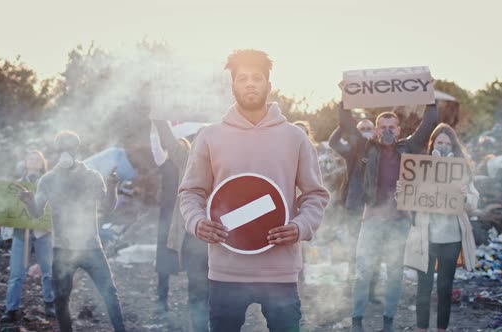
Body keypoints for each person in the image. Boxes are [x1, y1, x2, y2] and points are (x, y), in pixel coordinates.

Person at [179, 49, 330, 332]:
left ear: (268, 85)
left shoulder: (294, 137)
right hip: (226, 270)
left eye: (257, 78)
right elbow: (191, 193)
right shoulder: (210, 137)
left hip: (280, 270)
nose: (250, 84)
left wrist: (300, 227)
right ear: (232, 85)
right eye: (243, 78)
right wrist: (197, 222)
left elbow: (315, 196)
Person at [338, 101, 438, 332]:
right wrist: (346, 97)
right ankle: (357, 321)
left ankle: (388, 323)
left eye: (391, 126)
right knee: (362, 273)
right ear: (375, 130)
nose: (387, 131)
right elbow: (346, 124)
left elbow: (429, 123)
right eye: (382, 126)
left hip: (399, 223)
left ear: (399, 130)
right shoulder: (366, 148)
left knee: (394, 275)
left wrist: (430, 97)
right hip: (371, 220)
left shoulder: (409, 147)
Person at [19, 131, 125, 332]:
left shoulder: (92, 176)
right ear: (57, 152)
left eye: (70, 149)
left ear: (77, 150)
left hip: (91, 247)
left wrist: (113, 186)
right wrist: (28, 201)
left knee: (109, 293)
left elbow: (107, 208)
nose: (66, 153)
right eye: (62, 149)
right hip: (62, 249)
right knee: (61, 298)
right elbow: (36, 212)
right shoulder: (48, 180)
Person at [401, 123, 478, 332]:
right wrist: (402, 190)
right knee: (423, 290)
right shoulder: (420, 168)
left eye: (447, 142)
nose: (443, 146)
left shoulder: (461, 170)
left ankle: (441, 330)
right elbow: (407, 201)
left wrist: (464, 195)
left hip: (451, 238)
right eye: (439, 142)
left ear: (453, 145)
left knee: (445, 289)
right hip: (426, 237)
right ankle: (421, 329)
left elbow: (473, 203)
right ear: (432, 144)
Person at [154, 119, 210, 331]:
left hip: (220, 239)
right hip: (193, 238)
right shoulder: (187, 160)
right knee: (197, 290)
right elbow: (168, 141)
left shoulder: (228, 163)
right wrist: (158, 118)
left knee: (217, 291)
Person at [329, 118, 382, 304]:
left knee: (375, 250)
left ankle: (371, 292)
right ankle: (352, 288)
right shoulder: (352, 152)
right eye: (361, 129)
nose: (365, 132)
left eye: (368, 128)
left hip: (376, 209)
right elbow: (333, 142)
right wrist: (343, 124)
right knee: (354, 250)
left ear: (375, 131)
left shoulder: (381, 149)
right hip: (354, 207)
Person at [1, 150, 55, 324]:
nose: (33, 162)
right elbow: (8, 208)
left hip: (43, 233)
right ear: (25, 162)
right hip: (21, 233)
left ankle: (50, 303)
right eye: (30, 159)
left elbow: (55, 207)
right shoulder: (14, 185)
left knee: (48, 271)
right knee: (17, 273)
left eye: (37, 159)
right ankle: (11, 309)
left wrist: (51, 225)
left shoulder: (48, 184)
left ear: (42, 164)